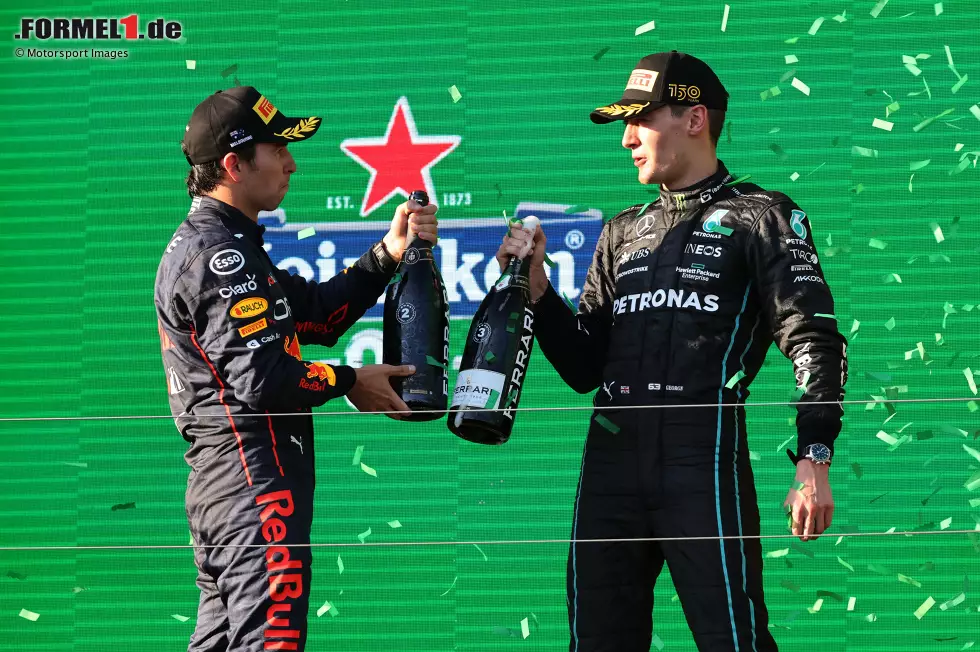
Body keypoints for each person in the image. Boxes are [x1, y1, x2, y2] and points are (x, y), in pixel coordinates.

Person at [496, 51, 848, 651]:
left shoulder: (762, 215)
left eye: (641, 120)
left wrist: (814, 458)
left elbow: (813, 336)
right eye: (624, 124)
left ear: (694, 118)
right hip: (609, 464)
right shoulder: (621, 230)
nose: (627, 139)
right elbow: (583, 367)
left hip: (700, 459)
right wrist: (539, 292)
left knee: (732, 640)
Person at [155, 86, 438, 652]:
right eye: (277, 149)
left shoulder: (229, 245)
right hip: (251, 486)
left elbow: (319, 315)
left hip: (231, 488)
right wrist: (350, 381)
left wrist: (389, 250)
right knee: (271, 643)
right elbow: (264, 379)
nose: (291, 163)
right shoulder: (219, 256)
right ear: (234, 165)